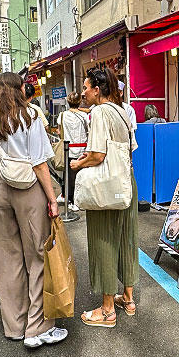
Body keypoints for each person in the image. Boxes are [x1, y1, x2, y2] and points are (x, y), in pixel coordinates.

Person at [0, 72, 67, 348]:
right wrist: (53, 200)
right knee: (37, 256)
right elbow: (40, 164)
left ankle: (15, 326)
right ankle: (37, 328)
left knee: (8, 259)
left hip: (0, 188)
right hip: (28, 189)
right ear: (19, 90)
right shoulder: (29, 118)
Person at [72, 67, 139, 328]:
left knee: (104, 241)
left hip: (107, 185)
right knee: (126, 238)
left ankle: (107, 310)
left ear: (97, 89)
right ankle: (128, 299)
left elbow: (98, 155)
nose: (84, 93)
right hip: (126, 182)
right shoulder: (121, 111)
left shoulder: (99, 112)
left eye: (86, 88)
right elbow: (128, 149)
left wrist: (78, 165)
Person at [58, 92, 90, 211]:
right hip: (83, 149)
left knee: (69, 176)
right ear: (79, 102)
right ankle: (81, 199)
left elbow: (59, 132)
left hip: (68, 149)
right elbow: (88, 131)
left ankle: (71, 200)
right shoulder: (84, 116)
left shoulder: (62, 115)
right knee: (82, 175)